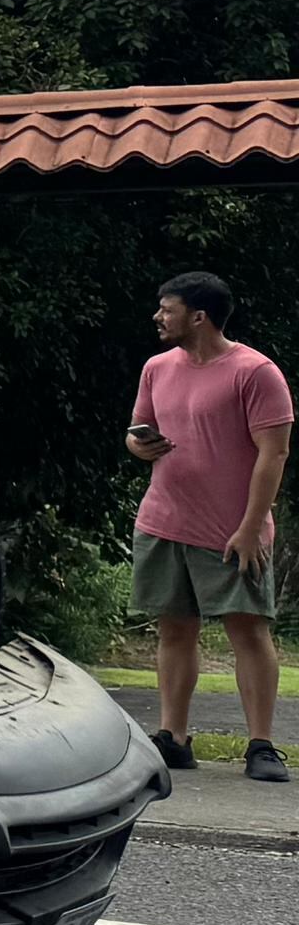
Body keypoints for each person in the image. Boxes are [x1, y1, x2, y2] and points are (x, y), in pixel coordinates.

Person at [128, 269, 291, 783]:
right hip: (163, 521)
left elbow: (275, 452)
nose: (158, 316)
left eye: (167, 308)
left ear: (199, 317)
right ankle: (173, 739)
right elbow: (136, 434)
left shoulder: (256, 372)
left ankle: (262, 746)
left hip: (230, 530)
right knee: (174, 629)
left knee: (248, 630)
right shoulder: (157, 367)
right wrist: (139, 445)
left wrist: (249, 527)